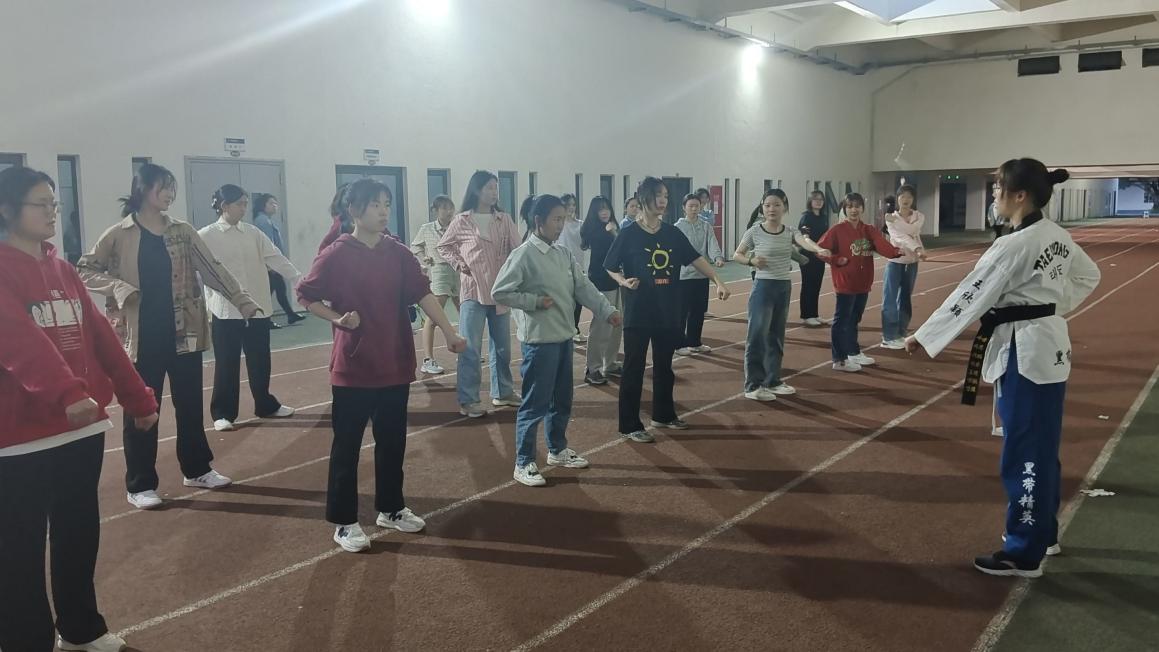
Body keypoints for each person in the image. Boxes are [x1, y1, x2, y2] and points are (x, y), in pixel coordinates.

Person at [906, 159, 1100, 578]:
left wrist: (925, 335)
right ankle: (1043, 533)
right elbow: (1089, 276)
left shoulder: (1014, 245)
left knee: (1025, 449)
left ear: (1019, 195)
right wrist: (1050, 307)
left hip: (1025, 352)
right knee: (1042, 445)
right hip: (1049, 344)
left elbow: (970, 294)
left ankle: (1023, 550)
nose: (994, 195)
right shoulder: (1056, 235)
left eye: (997, 188)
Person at [0, 166, 159, 652]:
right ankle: (25, 640)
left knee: (78, 532)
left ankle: (81, 628)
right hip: (20, 438)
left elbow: (101, 336)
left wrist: (137, 396)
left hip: (79, 430)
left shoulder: (63, 268)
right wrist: (67, 392)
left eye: (55, 203)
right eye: (41, 204)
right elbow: (17, 341)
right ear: (6, 210)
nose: (53, 212)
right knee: (20, 548)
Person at [297, 178, 466, 553]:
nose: (384, 211)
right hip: (354, 368)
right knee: (347, 446)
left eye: (387, 204)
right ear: (354, 210)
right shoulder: (336, 254)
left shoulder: (398, 252)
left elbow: (423, 293)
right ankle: (344, 521)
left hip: (394, 362)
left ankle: (391, 508)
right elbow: (305, 295)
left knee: (392, 442)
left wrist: (449, 331)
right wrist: (338, 319)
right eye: (375, 204)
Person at [79, 163, 258, 510]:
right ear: (143, 189)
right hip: (140, 337)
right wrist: (118, 287)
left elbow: (212, 268)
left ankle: (197, 469)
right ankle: (140, 484)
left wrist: (242, 300)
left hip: (184, 333)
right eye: (163, 187)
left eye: (172, 188)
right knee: (142, 409)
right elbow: (84, 269)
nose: (169, 194)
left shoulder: (182, 231)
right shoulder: (119, 234)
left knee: (189, 405)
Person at [493, 194, 621, 486]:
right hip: (539, 342)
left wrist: (607, 310)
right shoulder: (524, 255)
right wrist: (534, 301)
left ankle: (557, 449)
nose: (561, 225)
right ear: (539, 221)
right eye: (556, 219)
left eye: (563, 219)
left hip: (564, 337)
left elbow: (583, 286)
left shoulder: (562, 254)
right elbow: (500, 292)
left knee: (562, 399)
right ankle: (523, 462)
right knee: (535, 403)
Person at [604, 177, 730, 443]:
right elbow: (610, 266)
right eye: (658, 195)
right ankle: (629, 424)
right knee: (634, 367)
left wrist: (717, 280)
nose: (663, 201)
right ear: (644, 199)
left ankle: (663, 414)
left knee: (664, 366)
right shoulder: (628, 233)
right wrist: (623, 281)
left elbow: (695, 258)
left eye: (665, 196)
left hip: (667, 310)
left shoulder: (672, 233)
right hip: (638, 312)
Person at [199, 184, 301, 432]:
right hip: (226, 310)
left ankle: (265, 404)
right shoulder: (205, 235)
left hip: (257, 307)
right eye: (240, 204)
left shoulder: (253, 233)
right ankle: (223, 413)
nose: (244, 208)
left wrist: (299, 279)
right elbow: (199, 271)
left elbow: (275, 257)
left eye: (245, 203)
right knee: (227, 362)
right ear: (224, 206)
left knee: (260, 359)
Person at [437, 170, 522, 418]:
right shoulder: (462, 220)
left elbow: (518, 250)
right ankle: (468, 399)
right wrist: (458, 263)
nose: (494, 193)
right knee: (470, 348)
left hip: (500, 291)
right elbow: (444, 246)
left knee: (503, 348)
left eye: (496, 188)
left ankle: (503, 392)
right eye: (489, 188)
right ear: (477, 190)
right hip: (473, 292)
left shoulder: (504, 220)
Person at [734, 189, 829, 402]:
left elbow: (803, 241)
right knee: (757, 335)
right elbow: (737, 254)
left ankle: (773, 380)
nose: (772, 209)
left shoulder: (789, 231)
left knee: (776, 336)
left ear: (784, 207)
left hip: (783, 287)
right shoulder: (754, 231)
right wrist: (751, 261)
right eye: (767, 205)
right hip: (763, 287)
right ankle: (753, 385)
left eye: (777, 204)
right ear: (762, 208)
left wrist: (818, 249)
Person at [816, 193, 902, 373]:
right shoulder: (837, 230)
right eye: (849, 207)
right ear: (844, 209)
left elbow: (881, 244)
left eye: (857, 206)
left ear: (862, 208)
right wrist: (835, 259)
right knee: (842, 320)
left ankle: (853, 352)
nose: (853, 210)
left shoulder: (868, 229)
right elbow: (820, 250)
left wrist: (896, 252)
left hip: (863, 282)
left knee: (855, 318)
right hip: (845, 283)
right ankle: (839, 359)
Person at [411, 195, 461, 375]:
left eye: (451, 208)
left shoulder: (457, 227)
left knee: (465, 313)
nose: (449, 211)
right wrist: (424, 257)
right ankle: (428, 359)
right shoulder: (427, 229)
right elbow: (415, 246)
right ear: (435, 211)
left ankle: (467, 352)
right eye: (444, 208)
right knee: (434, 315)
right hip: (440, 271)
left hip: (458, 271)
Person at [579, 196, 624, 385]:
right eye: (600, 209)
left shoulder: (611, 228)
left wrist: (614, 231)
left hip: (617, 281)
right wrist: (613, 232)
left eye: (607, 208)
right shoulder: (597, 232)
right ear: (594, 213)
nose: (605, 212)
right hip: (602, 281)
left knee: (617, 324)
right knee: (601, 326)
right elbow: (616, 248)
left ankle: (610, 363)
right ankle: (593, 368)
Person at [880, 185, 929, 350]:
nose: (906, 200)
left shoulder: (919, 216)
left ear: (913, 199)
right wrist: (917, 247)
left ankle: (901, 332)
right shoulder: (890, 218)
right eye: (902, 196)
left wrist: (897, 223)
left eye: (909, 196)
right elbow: (900, 237)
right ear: (897, 199)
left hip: (912, 262)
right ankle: (888, 336)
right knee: (890, 299)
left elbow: (913, 230)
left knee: (905, 298)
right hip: (895, 261)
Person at [674, 193, 724, 356]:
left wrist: (717, 257)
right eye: (691, 206)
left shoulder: (706, 226)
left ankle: (694, 342)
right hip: (683, 276)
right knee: (681, 312)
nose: (694, 209)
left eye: (697, 206)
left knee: (698, 311)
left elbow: (712, 243)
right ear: (684, 208)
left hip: (702, 275)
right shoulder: (677, 228)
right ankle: (678, 344)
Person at [252, 193, 304, 328]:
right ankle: (266, 319)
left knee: (279, 289)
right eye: (271, 203)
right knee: (269, 292)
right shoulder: (263, 221)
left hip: (272, 264)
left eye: (275, 203)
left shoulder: (265, 220)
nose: (274, 206)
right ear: (263, 205)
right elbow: (268, 244)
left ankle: (289, 315)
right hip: (270, 264)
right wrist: (271, 265)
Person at [556, 193, 588, 343]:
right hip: (562, 267)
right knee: (566, 300)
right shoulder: (559, 224)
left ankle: (574, 328)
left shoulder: (581, 224)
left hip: (578, 265)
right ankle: (566, 329)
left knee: (578, 300)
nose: (571, 208)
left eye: (573, 205)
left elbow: (586, 242)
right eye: (568, 205)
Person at [798, 190, 831, 327]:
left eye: (821, 199)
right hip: (807, 256)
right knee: (808, 285)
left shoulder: (824, 217)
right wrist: (817, 249)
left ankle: (814, 314)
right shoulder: (806, 217)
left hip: (820, 256)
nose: (818, 202)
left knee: (816, 285)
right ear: (810, 201)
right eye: (815, 199)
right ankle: (807, 315)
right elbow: (805, 238)